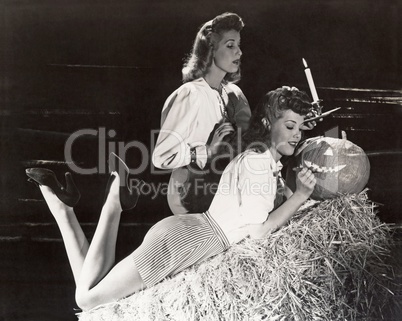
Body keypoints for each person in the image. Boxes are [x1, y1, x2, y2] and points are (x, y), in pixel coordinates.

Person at [25, 86, 316, 311]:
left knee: (94, 293)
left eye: (301, 128)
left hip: (189, 237)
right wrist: (301, 195)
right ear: (267, 123)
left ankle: (61, 206)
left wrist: (298, 192)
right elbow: (260, 231)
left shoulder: (263, 162)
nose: (296, 135)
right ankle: (115, 198)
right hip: (188, 243)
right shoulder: (256, 162)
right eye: (290, 126)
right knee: (88, 300)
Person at [152, 12, 251, 214]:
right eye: (230, 45)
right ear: (210, 50)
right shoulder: (191, 94)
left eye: (238, 45)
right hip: (190, 194)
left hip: (224, 190)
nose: (239, 53)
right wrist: (207, 150)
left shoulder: (233, 93)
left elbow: (250, 138)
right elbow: (161, 157)